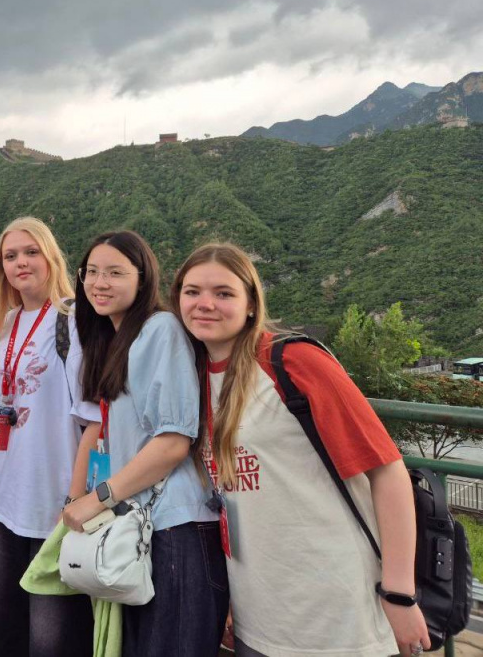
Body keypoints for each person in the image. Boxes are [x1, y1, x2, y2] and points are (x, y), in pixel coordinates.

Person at [170, 243, 429, 657]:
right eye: (192, 291)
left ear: (251, 305)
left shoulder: (291, 362)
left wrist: (399, 592)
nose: (205, 304)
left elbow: (387, 471)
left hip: (335, 611)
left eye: (223, 293)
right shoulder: (194, 380)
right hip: (257, 613)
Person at [62, 231, 228, 656]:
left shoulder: (159, 329)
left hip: (177, 529)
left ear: (143, 278)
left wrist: (96, 498)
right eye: (91, 272)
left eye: (115, 273)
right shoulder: (117, 339)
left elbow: (173, 441)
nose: (99, 283)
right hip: (144, 527)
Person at [0, 218, 97, 656]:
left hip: (56, 504)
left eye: (31, 252)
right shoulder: (6, 322)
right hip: (7, 501)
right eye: (10, 256)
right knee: (5, 627)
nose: (21, 263)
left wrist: (75, 499)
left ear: (51, 257)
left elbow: (95, 419)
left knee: (52, 640)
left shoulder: (73, 318)